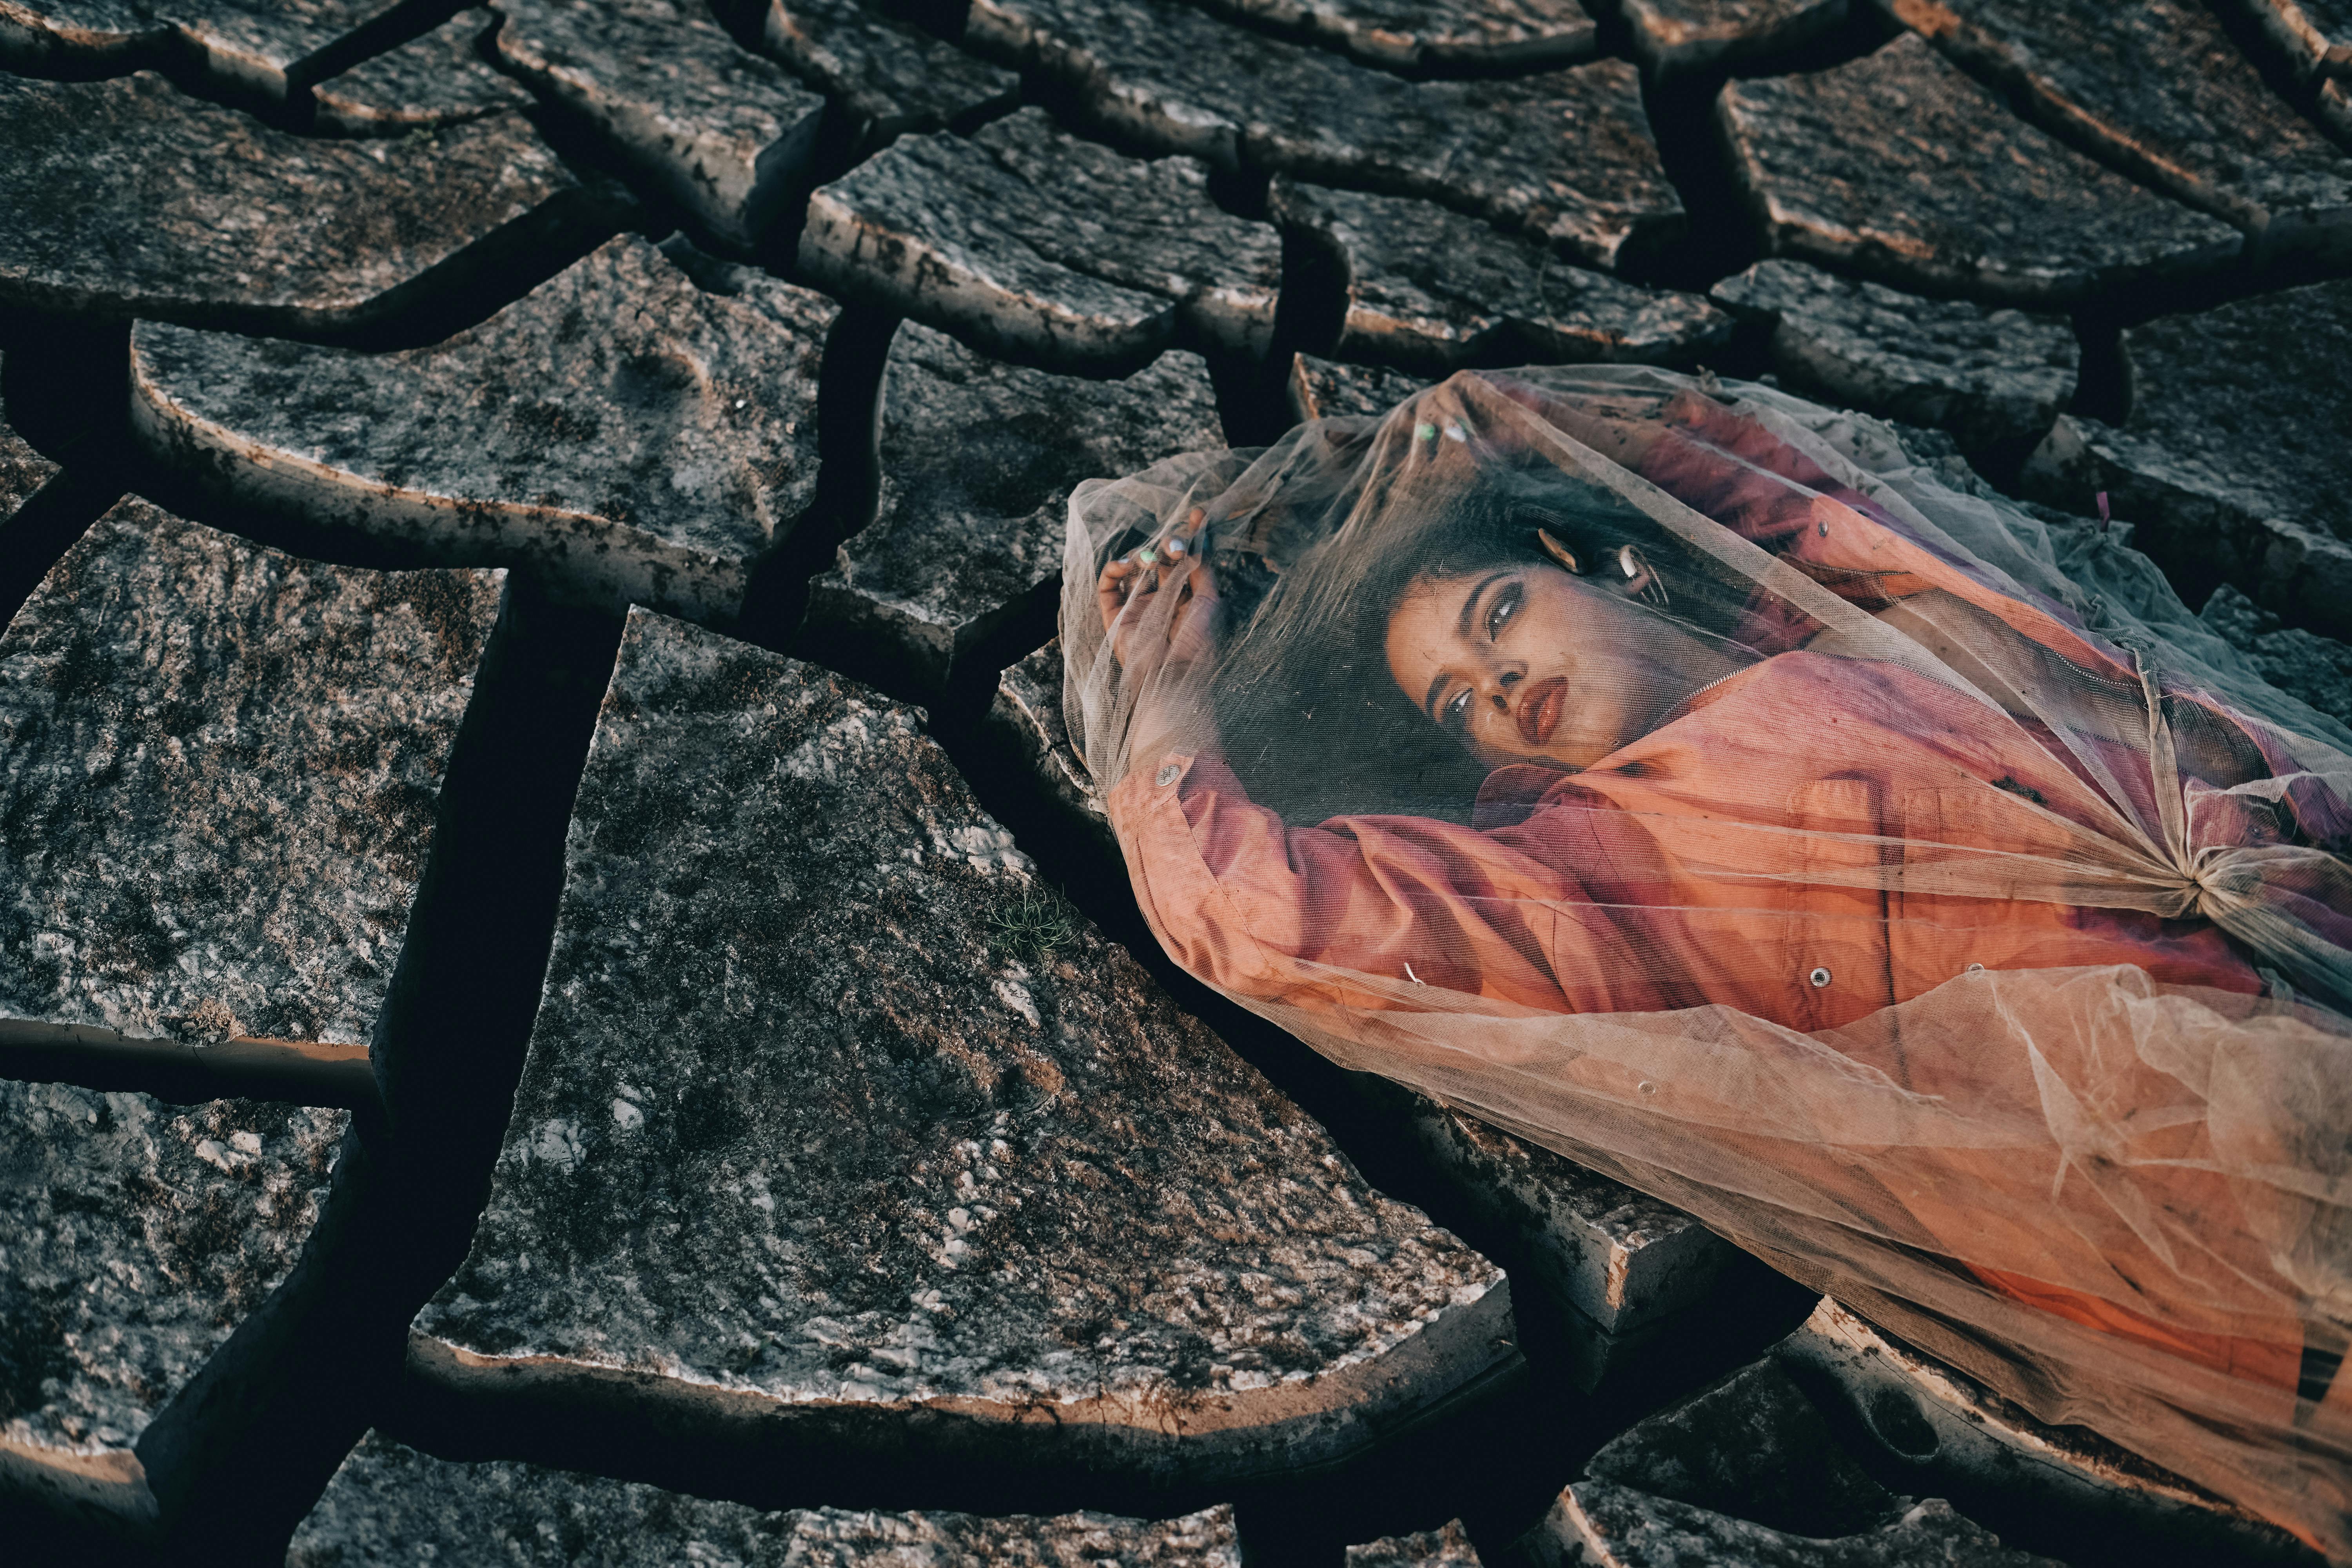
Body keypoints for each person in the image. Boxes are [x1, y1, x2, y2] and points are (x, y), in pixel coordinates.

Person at [1064, 366, 2352, 1553]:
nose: (1500, 676)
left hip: (2309, 910)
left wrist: (1489, 441)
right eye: (1456, 701)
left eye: (1501, 612)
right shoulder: (1597, 869)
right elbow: (1266, 917)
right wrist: (1172, 700)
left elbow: (1770, 488)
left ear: (1604, 570)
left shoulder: (1839, 624)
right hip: (2188, 1151)